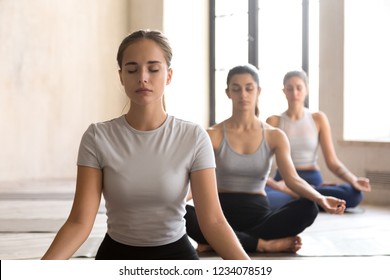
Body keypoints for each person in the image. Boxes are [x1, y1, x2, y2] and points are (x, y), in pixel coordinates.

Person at [41, 30, 250, 260]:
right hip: (116, 255)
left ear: (168, 75)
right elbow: (79, 222)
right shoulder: (97, 137)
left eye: (153, 69)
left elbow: (213, 222)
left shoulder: (193, 137)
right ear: (121, 76)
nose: (142, 77)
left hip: (176, 255)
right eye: (132, 70)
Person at [185, 64, 346, 254]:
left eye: (249, 88)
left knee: (309, 207)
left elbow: (292, 179)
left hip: (259, 216)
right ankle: (262, 244)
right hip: (219, 216)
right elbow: (196, 183)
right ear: (228, 93)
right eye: (236, 89)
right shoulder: (212, 134)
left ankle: (220, 242)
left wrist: (321, 198)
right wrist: (175, 202)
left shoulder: (274, 135)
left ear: (258, 91)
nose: (243, 94)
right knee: (182, 213)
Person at [265, 70, 371, 210]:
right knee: (264, 198)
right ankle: (314, 197)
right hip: (285, 180)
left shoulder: (318, 119)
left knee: (355, 194)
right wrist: (273, 184)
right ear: (284, 91)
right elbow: (262, 162)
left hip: (312, 178)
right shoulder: (273, 121)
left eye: (299, 88)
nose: (294, 93)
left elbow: (332, 161)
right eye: (289, 88)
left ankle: (301, 195)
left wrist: (354, 180)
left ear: (306, 89)